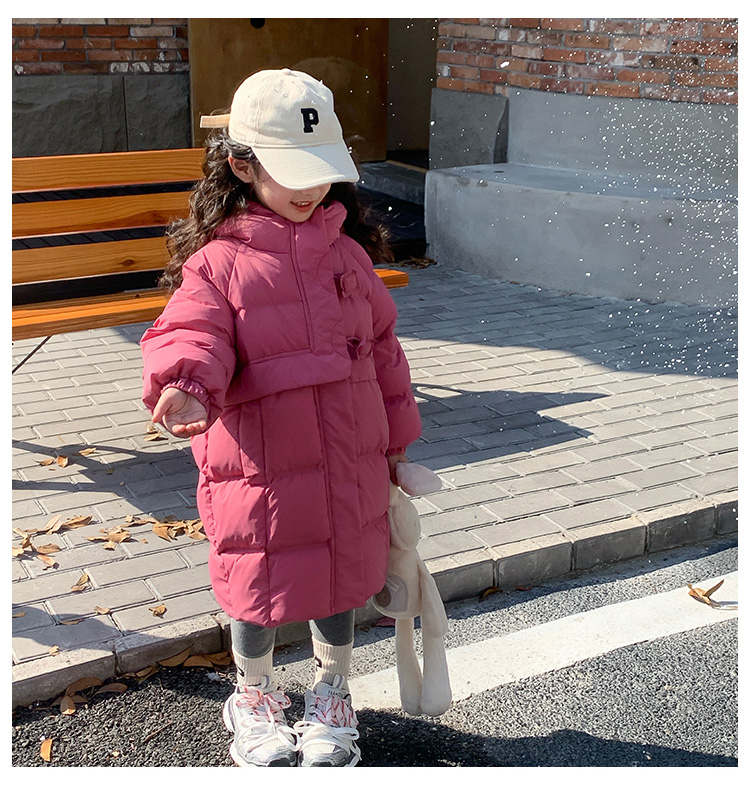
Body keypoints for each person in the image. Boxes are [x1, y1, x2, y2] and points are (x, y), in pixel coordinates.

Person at [141, 68, 422, 767]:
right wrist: (186, 382)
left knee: (341, 574)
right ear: (242, 165)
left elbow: (384, 351)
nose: (312, 189)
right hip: (260, 464)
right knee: (257, 581)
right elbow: (192, 331)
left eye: (322, 171)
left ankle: (333, 690)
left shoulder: (347, 255)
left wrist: (398, 444)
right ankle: (255, 692)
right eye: (294, 172)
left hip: (350, 454)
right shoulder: (219, 263)